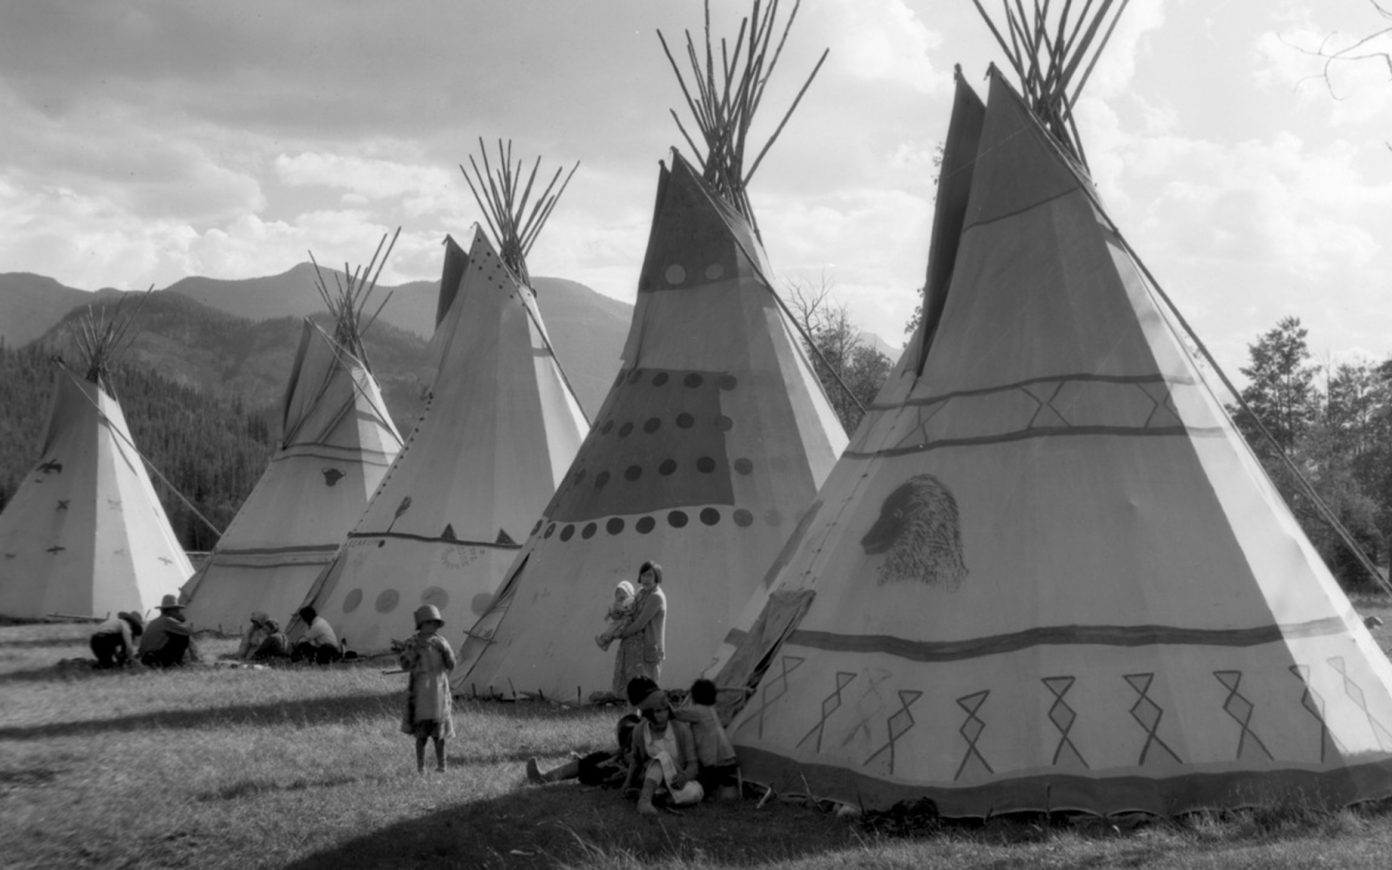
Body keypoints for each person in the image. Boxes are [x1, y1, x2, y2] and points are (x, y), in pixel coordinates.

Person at [525, 676, 657, 786]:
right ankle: (545, 777)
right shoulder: (650, 716)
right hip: (633, 760)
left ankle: (545, 778)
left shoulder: (658, 717)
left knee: (595, 766)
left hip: (644, 768)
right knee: (597, 758)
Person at [624, 687, 703, 815]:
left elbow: (693, 765)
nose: (663, 715)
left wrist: (684, 777)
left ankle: (658, 799)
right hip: (651, 778)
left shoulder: (681, 730)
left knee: (696, 792)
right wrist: (628, 782)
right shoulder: (639, 731)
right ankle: (644, 801)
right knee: (662, 756)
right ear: (648, 714)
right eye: (658, 711)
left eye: (665, 710)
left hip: (674, 779)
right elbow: (636, 759)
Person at [399, 604, 456, 773]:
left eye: (435, 623)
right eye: (429, 623)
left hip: (438, 693)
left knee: (439, 735)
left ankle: (442, 765)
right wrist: (415, 650)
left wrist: (443, 650)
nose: (433, 626)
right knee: (421, 735)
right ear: (421, 624)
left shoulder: (441, 642)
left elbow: (451, 664)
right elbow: (405, 665)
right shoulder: (412, 642)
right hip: (420, 694)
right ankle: (421, 767)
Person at [673, 678, 740, 801]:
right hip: (727, 757)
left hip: (713, 761)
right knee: (718, 778)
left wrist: (664, 703)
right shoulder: (711, 709)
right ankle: (724, 788)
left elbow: (676, 714)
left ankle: (708, 793)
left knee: (702, 780)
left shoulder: (697, 710)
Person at [612, 561, 666, 684]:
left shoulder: (656, 597)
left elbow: (639, 623)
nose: (645, 579)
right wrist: (617, 613)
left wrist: (620, 633)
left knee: (646, 688)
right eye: (643, 575)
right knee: (631, 686)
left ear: (657, 577)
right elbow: (630, 613)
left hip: (649, 650)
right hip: (635, 649)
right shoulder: (641, 592)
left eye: (650, 575)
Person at [595, 580, 636, 699]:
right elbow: (616, 615)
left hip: (627, 624)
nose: (620, 595)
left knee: (613, 628)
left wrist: (621, 610)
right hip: (622, 625)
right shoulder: (619, 602)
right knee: (612, 628)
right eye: (618, 592)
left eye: (622, 592)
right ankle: (605, 642)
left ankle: (604, 640)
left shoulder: (630, 601)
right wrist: (612, 614)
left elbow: (629, 612)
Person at [137, 595, 200, 668]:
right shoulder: (167, 621)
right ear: (170, 611)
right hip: (154, 660)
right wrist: (181, 618)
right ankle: (186, 662)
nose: (179, 612)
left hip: (145, 659)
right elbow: (188, 631)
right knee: (183, 637)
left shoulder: (154, 621)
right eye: (177, 610)